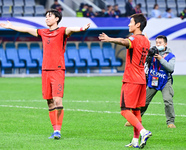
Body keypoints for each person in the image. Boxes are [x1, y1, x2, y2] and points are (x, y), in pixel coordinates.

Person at [0, 9, 90, 139]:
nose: (47, 18)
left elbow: (71, 29)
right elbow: (26, 30)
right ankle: (54, 130)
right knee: (49, 102)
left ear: (57, 19)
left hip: (58, 70)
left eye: (49, 16)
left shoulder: (62, 31)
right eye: (46, 16)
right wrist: (11, 26)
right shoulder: (43, 32)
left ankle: (58, 130)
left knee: (57, 100)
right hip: (45, 70)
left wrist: (82, 28)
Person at [99, 13, 152, 149]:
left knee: (124, 110)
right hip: (141, 79)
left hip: (131, 79)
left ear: (138, 25)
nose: (129, 24)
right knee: (136, 111)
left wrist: (109, 38)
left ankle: (143, 131)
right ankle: (135, 140)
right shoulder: (146, 40)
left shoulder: (133, 38)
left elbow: (125, 42)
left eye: (131, 22)